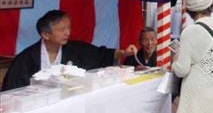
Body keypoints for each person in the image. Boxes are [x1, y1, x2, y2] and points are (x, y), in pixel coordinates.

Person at [1, 10, 137, 91]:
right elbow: (13, 89)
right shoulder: (26, 58)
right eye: (61, 30)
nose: (67, 33)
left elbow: (101, 55)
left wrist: (123, 53)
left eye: (68, 28)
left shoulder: (75, 49)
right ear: (45, 34)